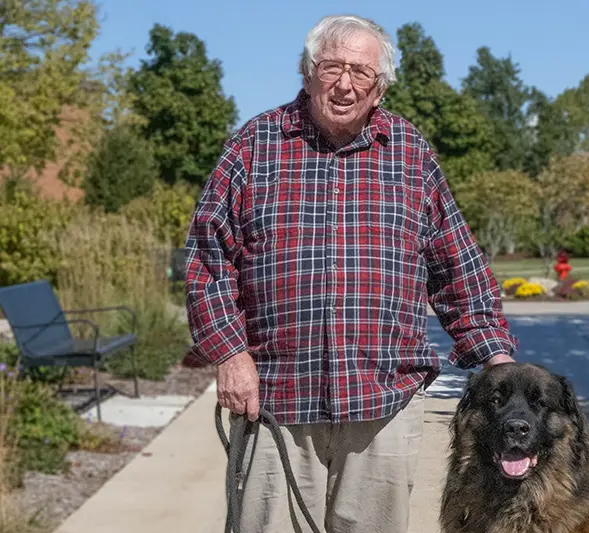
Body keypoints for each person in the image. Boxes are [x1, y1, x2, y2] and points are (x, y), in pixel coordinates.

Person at [183, 14, 518, 533]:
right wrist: (230, 354)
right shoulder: (253, 145)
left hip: (384, 398)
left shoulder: (410, 153)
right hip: (275, 398)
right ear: (307, 72)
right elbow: (208, 259)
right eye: (332, 67)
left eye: (361, 72)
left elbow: (456, 264)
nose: (345, 84)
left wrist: (498, 359)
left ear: (379, 87)